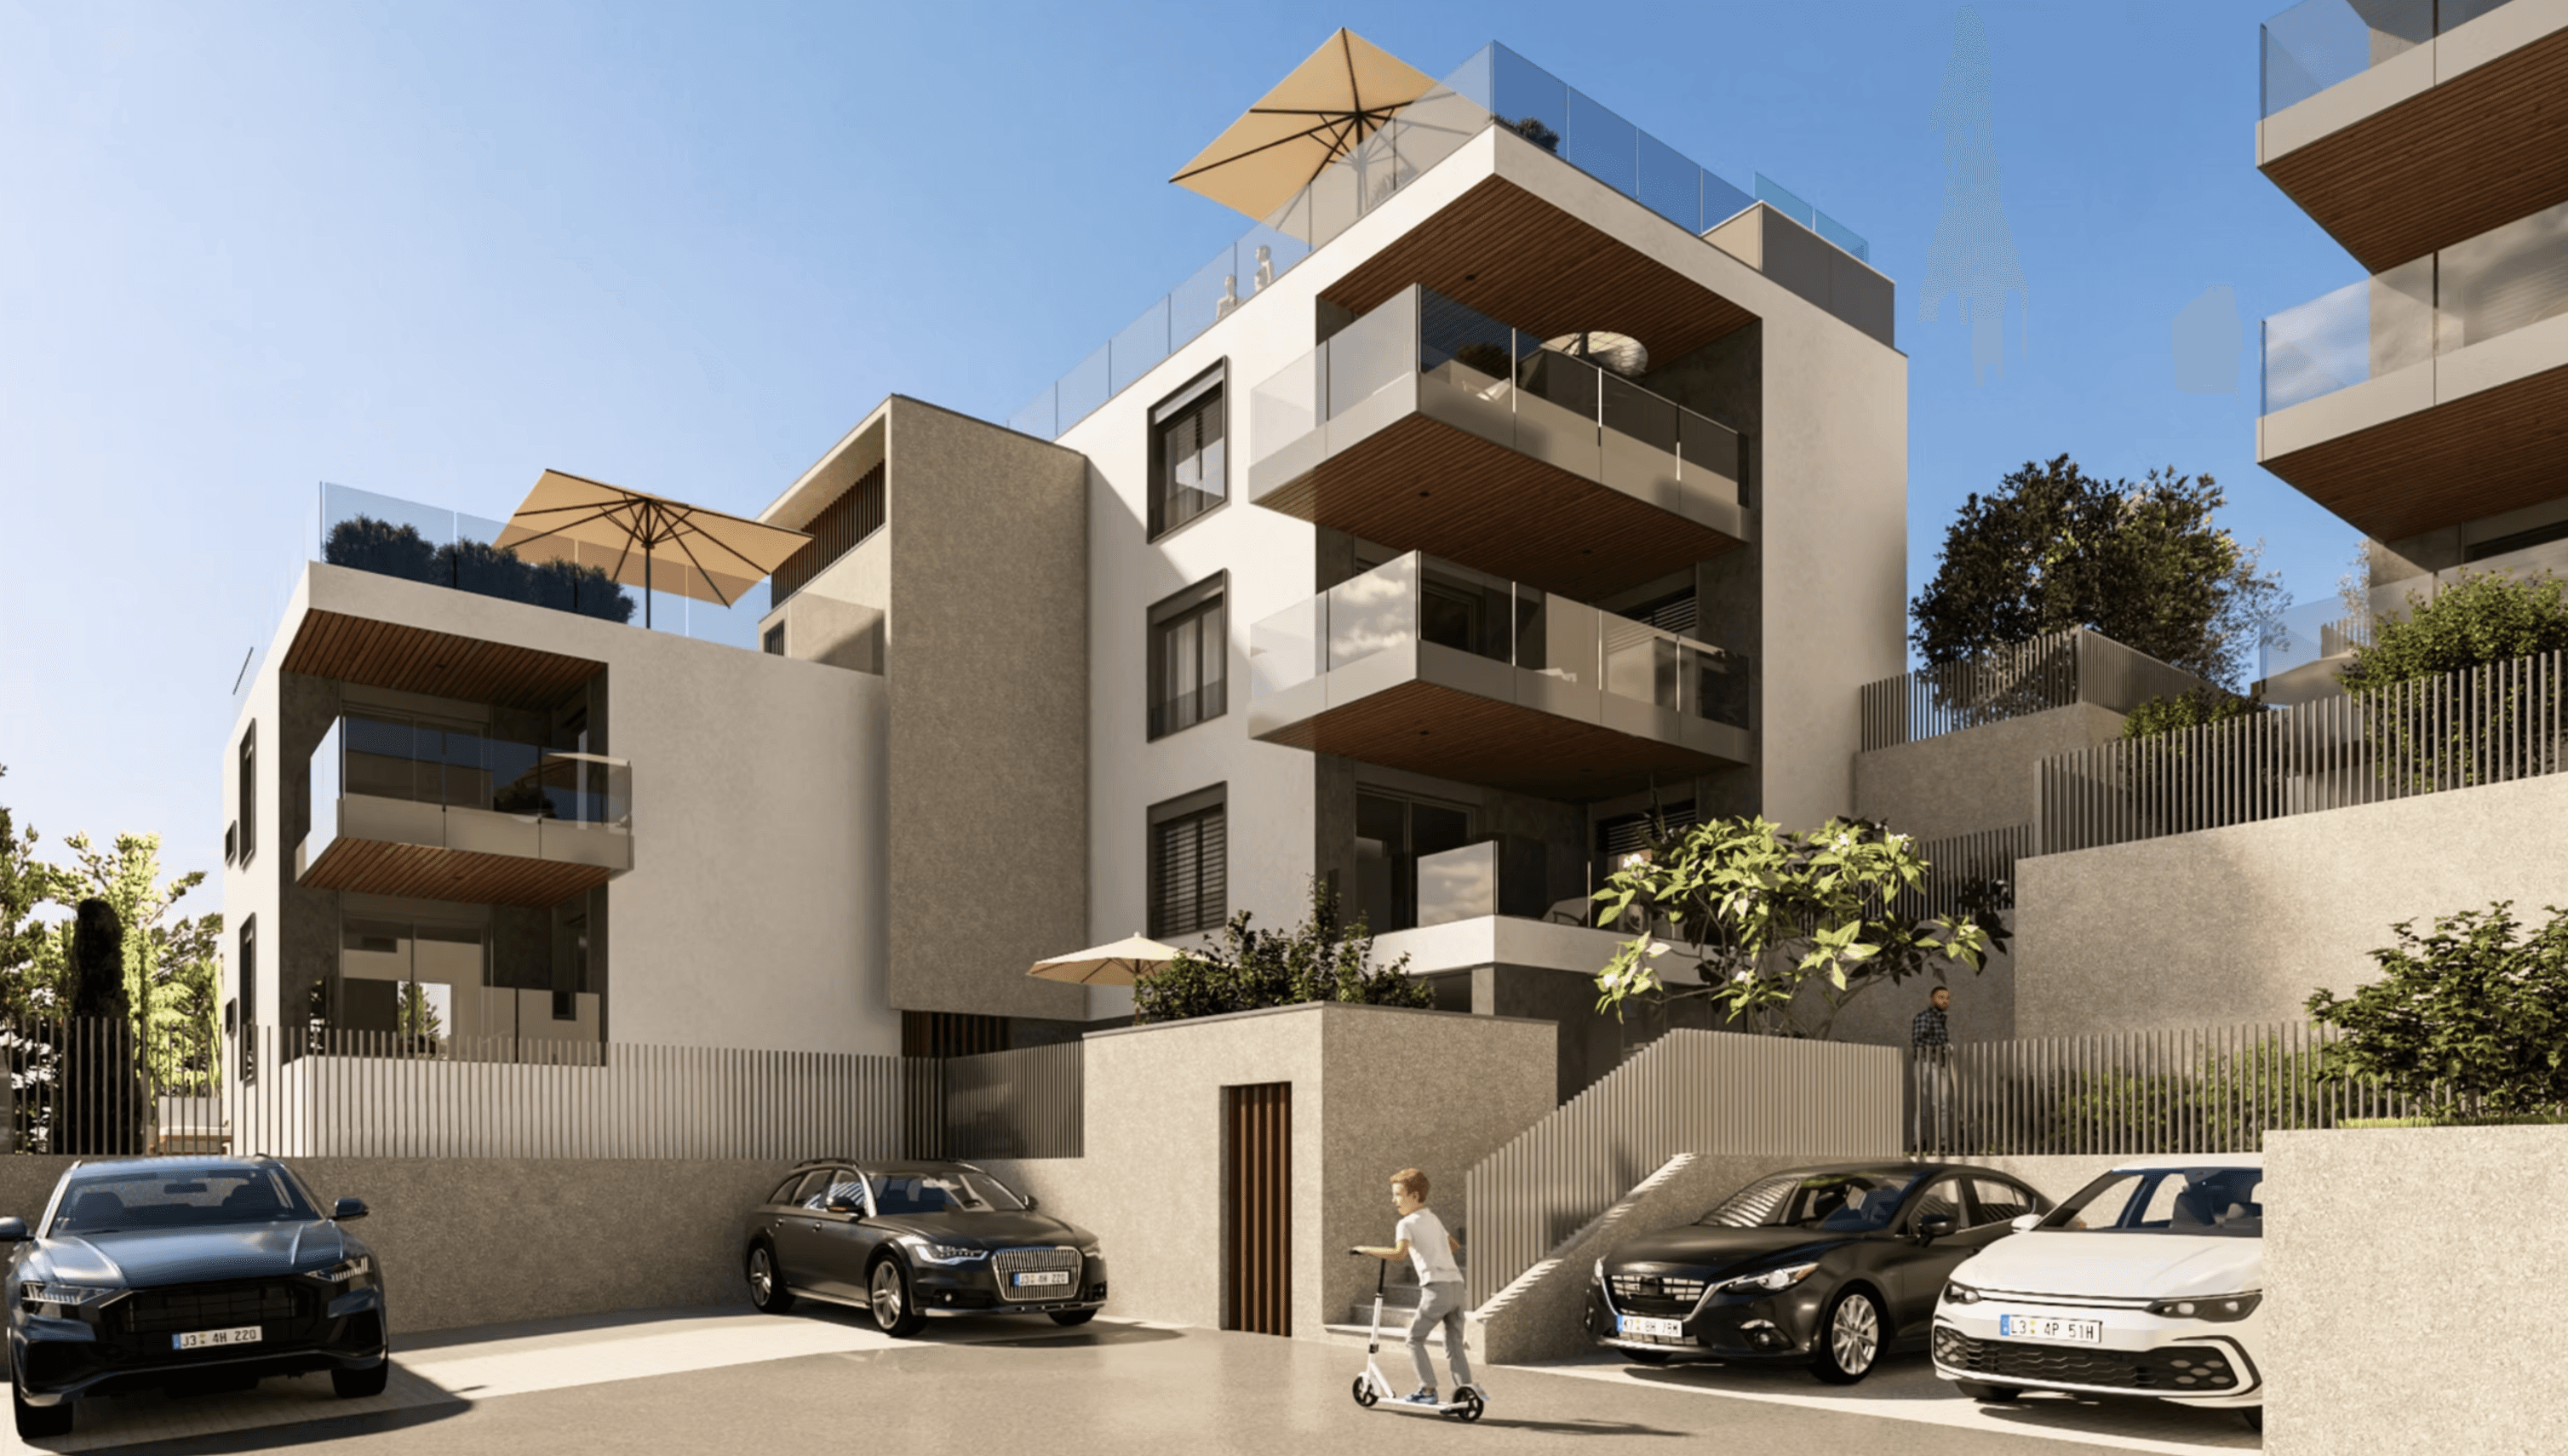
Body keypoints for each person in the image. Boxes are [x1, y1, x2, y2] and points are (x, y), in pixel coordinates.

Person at [1350, 1167, 1470, 1407]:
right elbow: (1453, 1245)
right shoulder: (1433, 1219)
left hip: (1436, 1289)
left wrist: (1366, 1249)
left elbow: (1399, 1254)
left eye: (1398, 1194)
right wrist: (1433, 1249)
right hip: (1457, 1287)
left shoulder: (1405, 1224)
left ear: (1414, 1196)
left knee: (1414, 1340)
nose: (1394, 1200)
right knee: (1454, 1344)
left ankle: (1427, 1389)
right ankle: (1465, 1390)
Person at [1911, 983, 1955, 1152]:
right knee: (1935, 1104)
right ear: (1932, 999)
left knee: (1935, 1104)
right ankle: (1933, 1142)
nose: (1945, 1001)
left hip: (1938, 1064)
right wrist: (1942, 1045)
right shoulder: (1925, 1017)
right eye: (1941, 997)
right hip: (1926, 1063)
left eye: (1947, 998)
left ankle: (1928, 1141)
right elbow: (1918, 1040)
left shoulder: (1941, 1020)